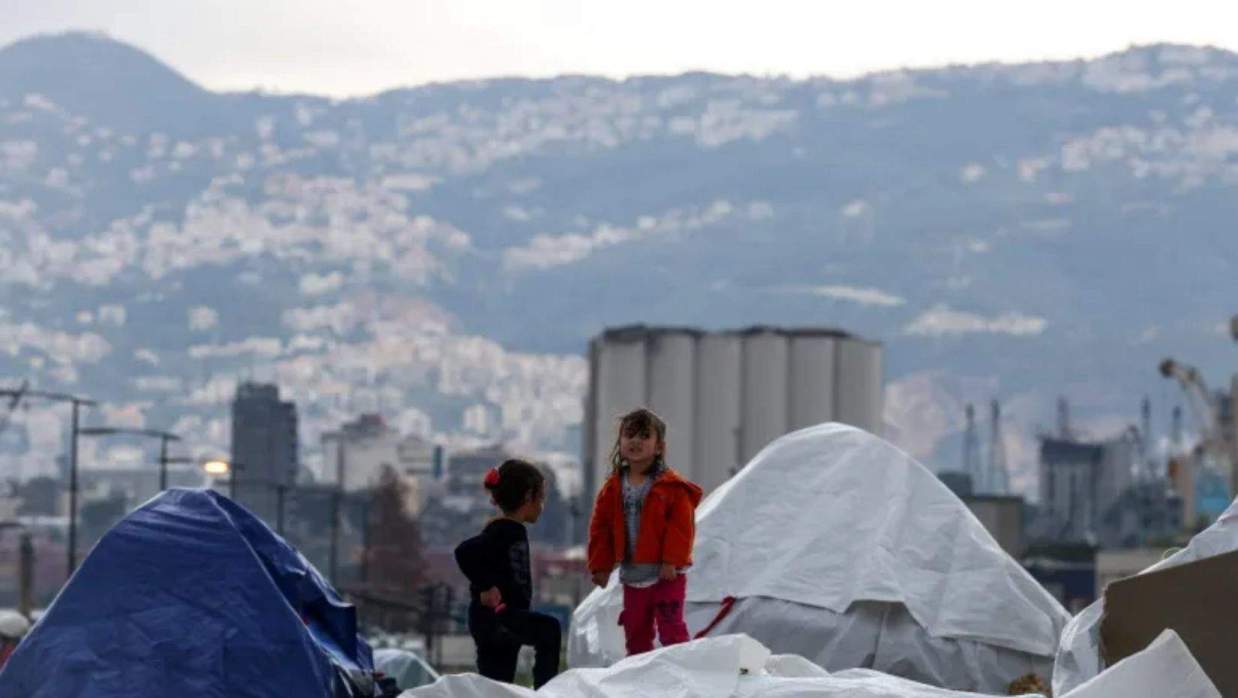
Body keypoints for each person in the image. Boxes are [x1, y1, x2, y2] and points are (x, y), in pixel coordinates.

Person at [587, 407, 703, 656]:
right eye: (629, 435)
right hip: (634, 574)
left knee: (671, 627)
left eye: (643, 436)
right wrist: (601, 566)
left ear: (659, 447)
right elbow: (601, 528)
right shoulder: (613, 488)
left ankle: (685, 673)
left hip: (667, 574)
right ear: (620, 441)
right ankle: (640, 682)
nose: (635, 441)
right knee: (636, 631)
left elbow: (681, 527)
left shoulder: (672, 487)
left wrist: (671, 561)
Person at [454, 459, 561, 689]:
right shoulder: (503, 531)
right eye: (541, 499)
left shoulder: (509, 529)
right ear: (528, 497)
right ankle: (545, 692)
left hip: (498, 620)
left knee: (497, 685)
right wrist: (486, 586)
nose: (542, 506)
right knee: (549, 630)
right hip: (500, 619)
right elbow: (464, 551)